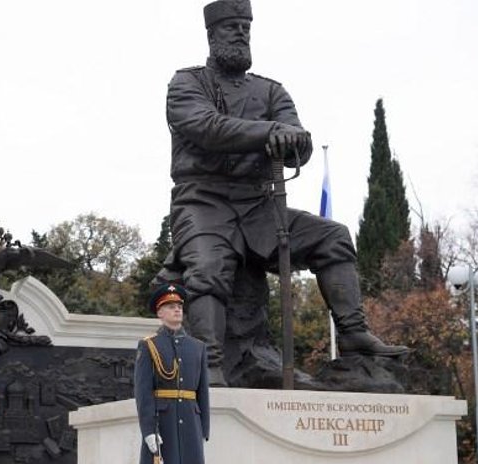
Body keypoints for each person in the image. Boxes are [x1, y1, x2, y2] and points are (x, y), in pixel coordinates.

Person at [158, 0, 407, 386]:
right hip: (204, 202)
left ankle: (354, 333)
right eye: (231, 28)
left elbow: (298, 140)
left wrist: (294, 143)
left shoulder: (271, 91)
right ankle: (207, 363)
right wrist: (268, 132)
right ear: (211, 35)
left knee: (334, 236)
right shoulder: (186, 83)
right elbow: (206, 127)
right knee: (207, 270)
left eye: (246, 28)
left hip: (259, 206)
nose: (241, 33)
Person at [135, 283, 210, 464]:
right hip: (162, 422)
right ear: (160, 313)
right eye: (170, 307)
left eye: (179, 306)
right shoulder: (149, 346)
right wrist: (148, 430)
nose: (176, 310)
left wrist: (204, 427)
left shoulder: (197, 347)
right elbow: (143, 392)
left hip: (189, 421)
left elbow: (202, 390)